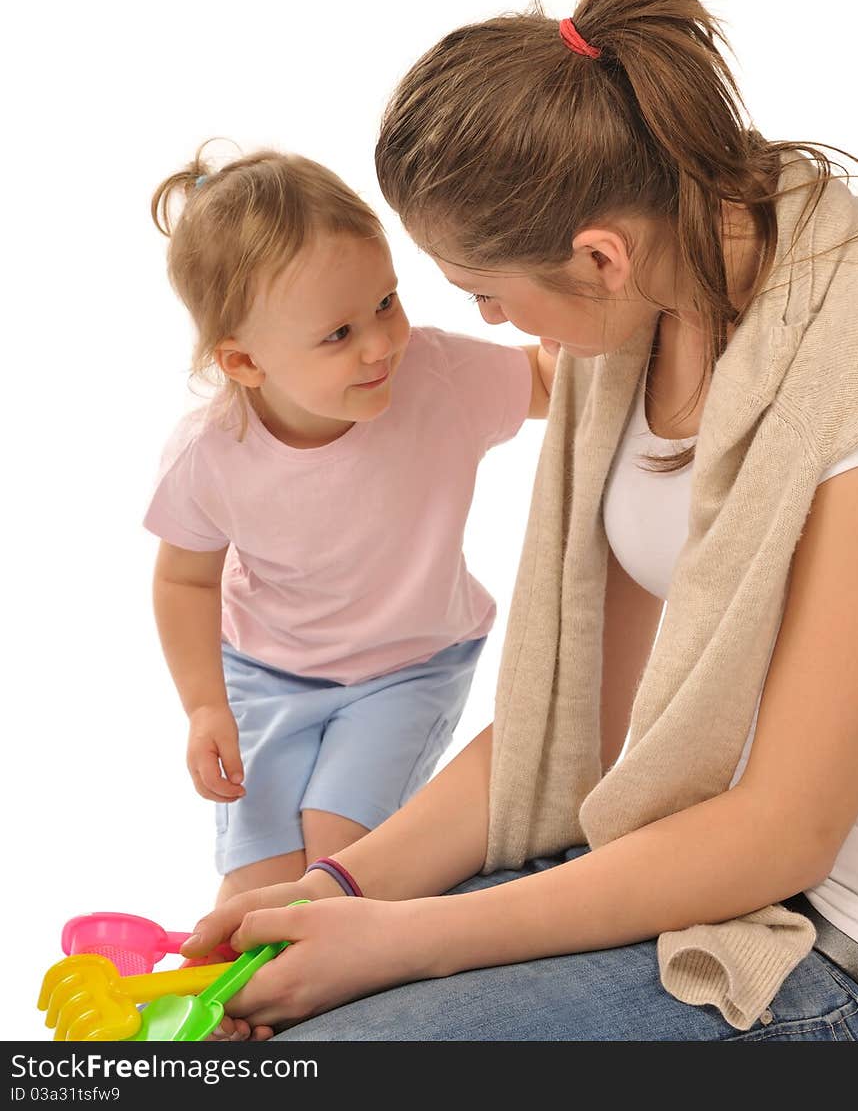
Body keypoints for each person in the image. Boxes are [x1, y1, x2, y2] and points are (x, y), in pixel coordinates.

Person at [181, 0, 858, 1042]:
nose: (495, 324)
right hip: (664, 860)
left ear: (598, 256)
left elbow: (782, 834)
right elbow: (573, 730)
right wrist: (338, 892)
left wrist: (403, 941)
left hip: (820, 950)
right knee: (236, 1030)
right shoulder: (644, 313)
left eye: (484, 292)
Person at [144, 148, 555, 903]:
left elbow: (543, 377)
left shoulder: (434, 377)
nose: (380, 344)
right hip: (267, 675)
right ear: (244, 363)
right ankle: (240, 1015)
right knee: (254, 891)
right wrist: (205, 703)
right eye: (338, 334)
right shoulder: (211, 454)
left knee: (339, 869)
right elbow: (184, 577)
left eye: (387, 303)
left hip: (409, 665)